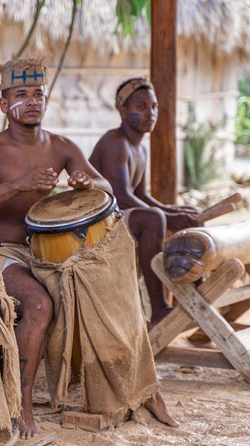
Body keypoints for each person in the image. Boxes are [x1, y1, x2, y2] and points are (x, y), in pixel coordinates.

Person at [0, 57, 176, 440]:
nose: (33, 101)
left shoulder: (60, 146)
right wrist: (18, 185)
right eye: (21, 94)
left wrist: (83, 183)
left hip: (46, 254)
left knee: (113, 291)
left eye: (38, 93)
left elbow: (106, 186)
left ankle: (145, 389)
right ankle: (22, 403)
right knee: (40, 306)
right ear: (5, 105)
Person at [89, 77, 200, 326]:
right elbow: (120, 194)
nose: (150, 113)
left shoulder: (140, 148)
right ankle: (159, 308)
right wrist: (168, 216)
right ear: (123, 111)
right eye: (141, 107)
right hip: (95, 224)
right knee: (154, 219)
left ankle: (197, 300)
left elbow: (140, 195)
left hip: (117, 216)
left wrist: (174, 210)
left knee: (188, 214)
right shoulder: (115, 142)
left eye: (154, 106)